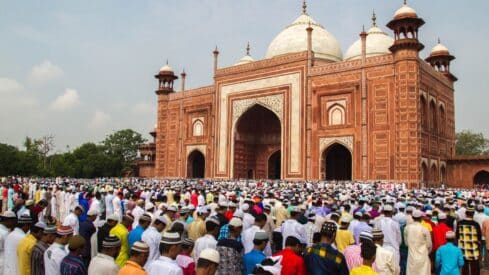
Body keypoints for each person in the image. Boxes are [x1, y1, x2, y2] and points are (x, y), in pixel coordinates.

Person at [404, 210, 432, 275]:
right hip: (423, 256)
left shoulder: (407, 228)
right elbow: (429, 245)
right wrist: (426, 252)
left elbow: (406, 243)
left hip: (412, 256)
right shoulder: (425, 229)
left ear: (413, 218)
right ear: (421, 218)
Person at [455, 207, 482, 275]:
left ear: (466, 214)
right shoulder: (475, 224)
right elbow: (479, 237)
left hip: (463, 248)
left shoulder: (460, 223)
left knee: (464, 267)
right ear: (473, 214)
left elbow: (457, 236)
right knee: (474, 267)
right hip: (473, 249)